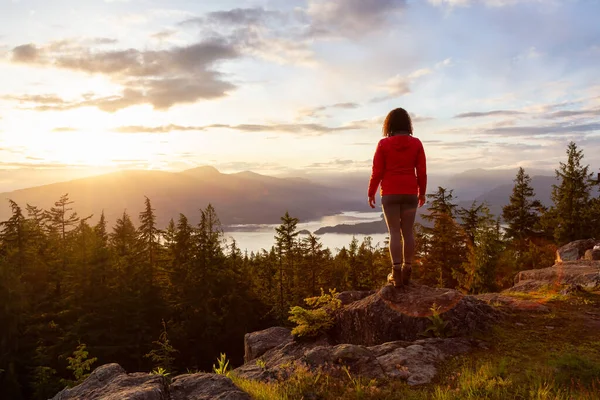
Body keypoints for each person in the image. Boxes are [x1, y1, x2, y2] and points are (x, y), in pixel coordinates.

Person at [367, 108, 427, 288]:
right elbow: (422, 172)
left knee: (394, 232)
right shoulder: (416, 143)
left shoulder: (383, 144)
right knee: (407, 232)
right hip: (410, 193)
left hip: (390, 193)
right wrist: (421, 192)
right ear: (408, 124)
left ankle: (396, 273)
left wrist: (371, 192)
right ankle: (408, 270)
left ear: (389, 125)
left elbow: (377, 172)